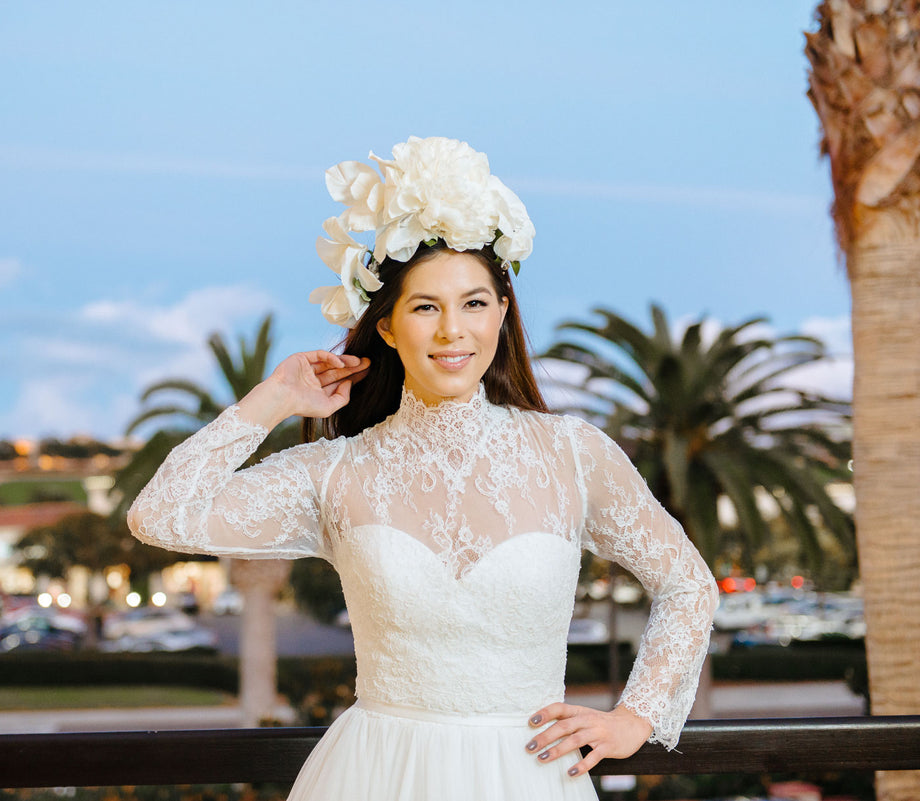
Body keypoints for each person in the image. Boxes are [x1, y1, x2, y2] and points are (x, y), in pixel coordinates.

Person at [128, 136, 718, 800]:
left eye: (474, 303)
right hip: (374, 777)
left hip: (529, 778)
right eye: (425, 306)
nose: (452, 331)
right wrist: (274, 399)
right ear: (386, 326)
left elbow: (688, 583)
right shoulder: (336, 472)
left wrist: (636, 716)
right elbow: (159, 515)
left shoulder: (573, 455)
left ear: (503, 311)